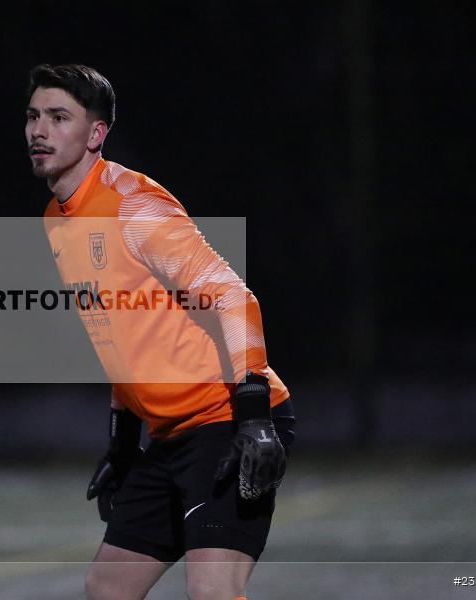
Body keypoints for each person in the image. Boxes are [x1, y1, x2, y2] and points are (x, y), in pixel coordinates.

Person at [26, 63, 295, 600]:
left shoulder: (134, 207)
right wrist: (123, 439)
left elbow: (235, 297)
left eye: (59, 117)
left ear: (96, 134)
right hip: (170, 435)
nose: (39, 130)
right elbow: (117, 330)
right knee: (107, 588)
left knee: (213, 593)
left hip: (226, 421)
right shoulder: (58, 218)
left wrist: (254, 417)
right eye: (33, 116)